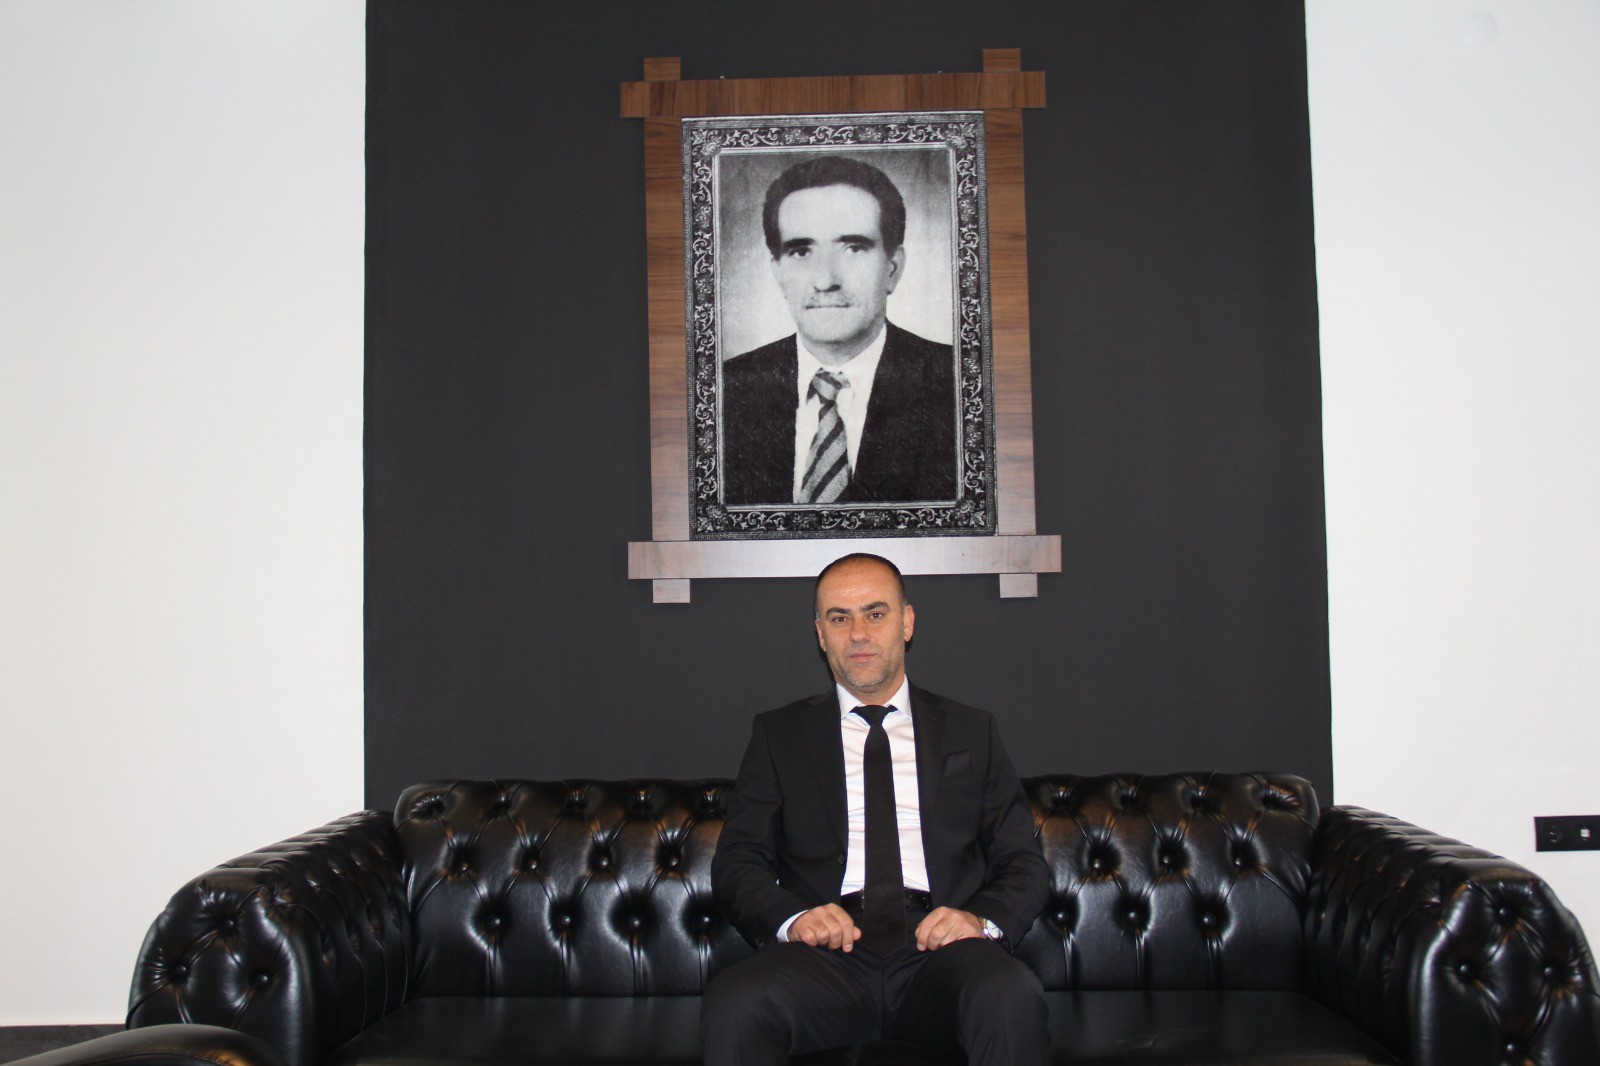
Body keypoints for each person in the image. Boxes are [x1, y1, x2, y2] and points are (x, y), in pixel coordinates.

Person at [702, 553, 1050, 1065]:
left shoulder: (971, 730)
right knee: (736, 1001)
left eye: (875, 613)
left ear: (906, 623)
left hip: (942, 953)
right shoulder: (779, 735)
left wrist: (980, 921)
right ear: (821, 635)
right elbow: (738, 861)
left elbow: (1021, 860)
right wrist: (794, 918)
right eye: (839, 618)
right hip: (826, 956)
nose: (858, 634)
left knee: (1008, 994)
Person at [720, 156, 958, 507]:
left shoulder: (959, 385)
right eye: (801, 251)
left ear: (892, 268)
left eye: (853, 248)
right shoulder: (723, 391)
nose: (825, 280)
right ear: (778, 272)